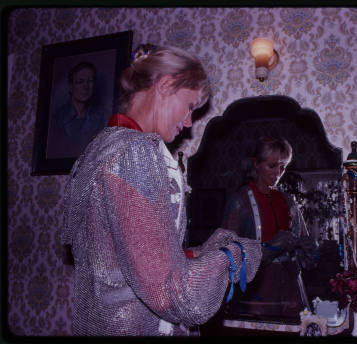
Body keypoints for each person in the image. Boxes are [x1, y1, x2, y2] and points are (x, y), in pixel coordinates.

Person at [60, 44, 261, 336]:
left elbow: (126, 267)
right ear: (165, 86)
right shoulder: (136, 152)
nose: (190, 122)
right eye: (190, 106)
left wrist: (204, 252)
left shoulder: (99, 148)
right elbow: (172, 296)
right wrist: (236, 255)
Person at [221, 136, 316, 319]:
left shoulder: (289, 201)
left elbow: (306, 246)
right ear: (256, 164)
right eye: (272, 166)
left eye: (283, 167)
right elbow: (227, 256)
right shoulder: (239, 201)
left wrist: (309, 249)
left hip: (291, 286)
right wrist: (268, 249)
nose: (278, 173)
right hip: (256, 289)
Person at [50, 61, 108, 157]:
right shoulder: (57, 118)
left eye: (90, 81)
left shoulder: (103, 115)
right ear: (70, 86)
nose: (86, 86)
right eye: (80, 82)